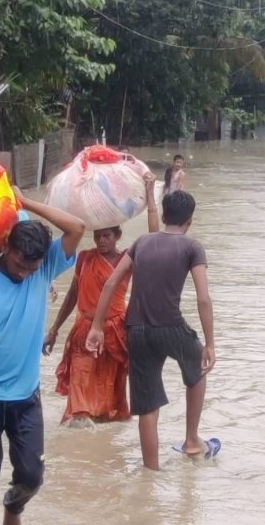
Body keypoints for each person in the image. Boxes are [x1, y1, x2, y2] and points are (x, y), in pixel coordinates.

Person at [0, 187, 85, 525]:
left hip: (24, 394)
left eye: (31, 267)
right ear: (5, 247)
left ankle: (14, 507)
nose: (24, 273)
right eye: (20, 264)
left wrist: (24, 202)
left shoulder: (44, 266)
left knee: (32, 475)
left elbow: (77, 228)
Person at [85, 190, 217, 471]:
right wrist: (209, 343)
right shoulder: (193, 247)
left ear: (165, 215)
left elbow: (110, 284)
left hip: (137, 331)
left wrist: (96, 327)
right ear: (190, 220)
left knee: (147, 405)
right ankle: (192, 440)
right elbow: (203, 298)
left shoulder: (142, 243)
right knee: (198, 370)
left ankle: (151, 471)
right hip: (171, 327)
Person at [43, 173, 160, 426]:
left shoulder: (126, 260)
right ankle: (79, 436)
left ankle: (100, 451)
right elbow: (73, 296)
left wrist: (150, 195)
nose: (101, 241)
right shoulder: (84, 258)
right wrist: (54, 330)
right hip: (84, 330)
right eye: (97, 236)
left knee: (110, 401)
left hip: (115, 333)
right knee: (80, 396)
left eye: (106, 236)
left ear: (117, 236)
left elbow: (154, 240)